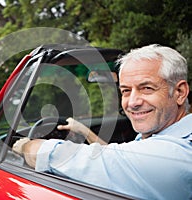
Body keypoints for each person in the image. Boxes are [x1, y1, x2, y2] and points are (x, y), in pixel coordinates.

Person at [12, 44, 192, 199]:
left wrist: (24, 146)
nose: (133, 102)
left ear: (179, 92)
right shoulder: (168, 135)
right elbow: (112, 156)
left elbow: (60, 156)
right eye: (126, 90)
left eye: (146, 88)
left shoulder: (172, 155)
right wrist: (84, 131)